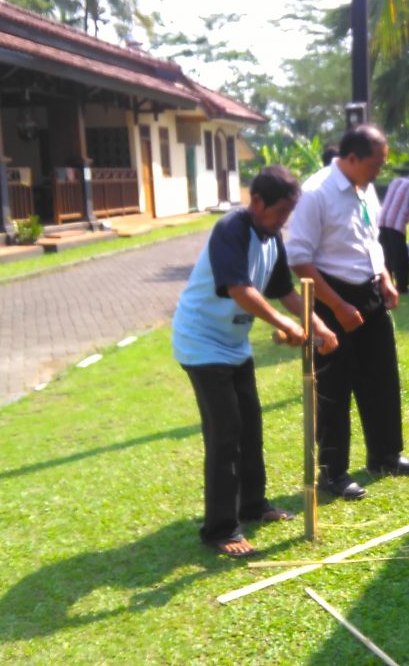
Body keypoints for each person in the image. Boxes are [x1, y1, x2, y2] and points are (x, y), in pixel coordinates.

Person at [172, 166, 339, 557]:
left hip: (232, 345)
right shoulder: (231, 230)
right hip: (200, 343)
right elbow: (240, 290)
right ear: (257, 201)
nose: (283, 220)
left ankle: (252, 505)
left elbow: (288, 294)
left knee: (250, 425)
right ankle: (221, 529)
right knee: (225, 433)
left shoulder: (271, 240)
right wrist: (284, 325)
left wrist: (319, 327)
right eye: (279, 211)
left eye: (288, 213)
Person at [286, 124, 409, 501]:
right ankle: (333, 471)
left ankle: (385, 454)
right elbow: (298, 258)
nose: (381, 169)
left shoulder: (366, 188)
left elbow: (370, 238)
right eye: (376, 162)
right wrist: (338, 305)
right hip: (333, 298)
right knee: (333, 386)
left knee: (381, 376)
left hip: (370, 292)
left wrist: (385, 277)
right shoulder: (316, 194)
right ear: (351, 158)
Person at [378, 166, 409, 294]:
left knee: (386, 255)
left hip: (382, 221)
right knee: (401, 257)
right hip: (396, 224)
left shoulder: (396, 181)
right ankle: (402, 287)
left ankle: (384, 284)